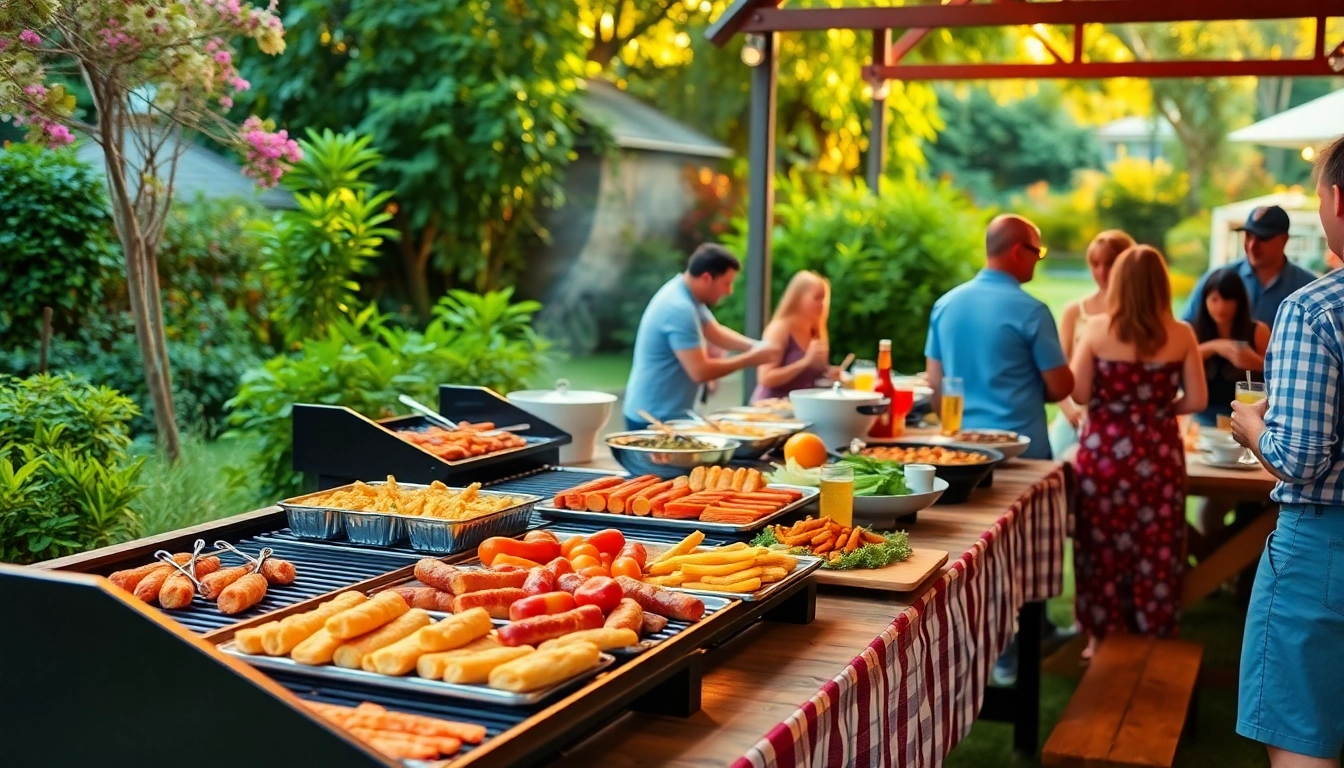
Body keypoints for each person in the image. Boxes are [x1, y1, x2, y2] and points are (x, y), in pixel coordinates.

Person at [1232, 135, 1344, 768]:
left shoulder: (1313, 307)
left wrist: (1253, 425)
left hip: (1324, 548)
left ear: (1335, 198)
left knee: (1305, 750)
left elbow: (1300, 458)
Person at [1071, 245, 1207, 661]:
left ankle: (1099, 638)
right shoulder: (1181, 333)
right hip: (1159, 457)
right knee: (1157, 548)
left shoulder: (1095, 329)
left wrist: (1116, 407)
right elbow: (1198, 398)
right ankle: (1154, 634)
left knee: (1101, 547)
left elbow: (1077, 393)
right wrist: (1158, 408)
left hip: (1104, 458)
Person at [925, 214, 1074, 461]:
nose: (1039, 259)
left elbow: (935, 385)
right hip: (1023, 454)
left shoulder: (945, 305)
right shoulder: (1032, 312)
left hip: (964, 453)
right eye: (1038, 252)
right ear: (1017, 252)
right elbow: (1061, 387)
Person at [622, 244, 778, 428]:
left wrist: (756, 346)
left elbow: (716, 332)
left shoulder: (687, 295)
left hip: (670, 415)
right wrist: (750, 359)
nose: (729, 291)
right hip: (653, 418)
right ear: (706, 278)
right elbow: (700, 371)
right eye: (726, 283)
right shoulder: (679, 308)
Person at [1050, 230, 1137, 456]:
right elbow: (1057, 371)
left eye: (1109, 264)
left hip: (1124, 419)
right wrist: (1070, 411)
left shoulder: (1141, 316)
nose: (1101, 272)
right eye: (1095, 264)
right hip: (1076, 416)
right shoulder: (1075, 312)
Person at [1182, 205, 1316, 330]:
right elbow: (1185, 330)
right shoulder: (1216, 280)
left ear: (1284, 239)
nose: (1252, 245)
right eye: (1248, 236)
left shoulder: (1307, 288)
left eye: (1262, 238)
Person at [1190, 267, 1270, 427]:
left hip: (1246, 421)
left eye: (1228, 300)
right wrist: (1214, 347)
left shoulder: (1257, 331)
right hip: (1202, 420)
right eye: (1214, 300)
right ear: (1204, 300)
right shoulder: (1193, 331)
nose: (1221, 307)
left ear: (1239, 302)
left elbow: (1275, 374)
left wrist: (1256, 362)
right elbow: (1181, 365)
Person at [751, 271, 841, 402]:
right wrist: (804, 362)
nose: (822, 304)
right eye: (817, 298)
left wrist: (830, 374)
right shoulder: (780, 328)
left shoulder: (816, 330)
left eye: (824, 299)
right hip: (772, 408)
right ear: (799, 298)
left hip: (803, 408)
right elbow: (765, 378)